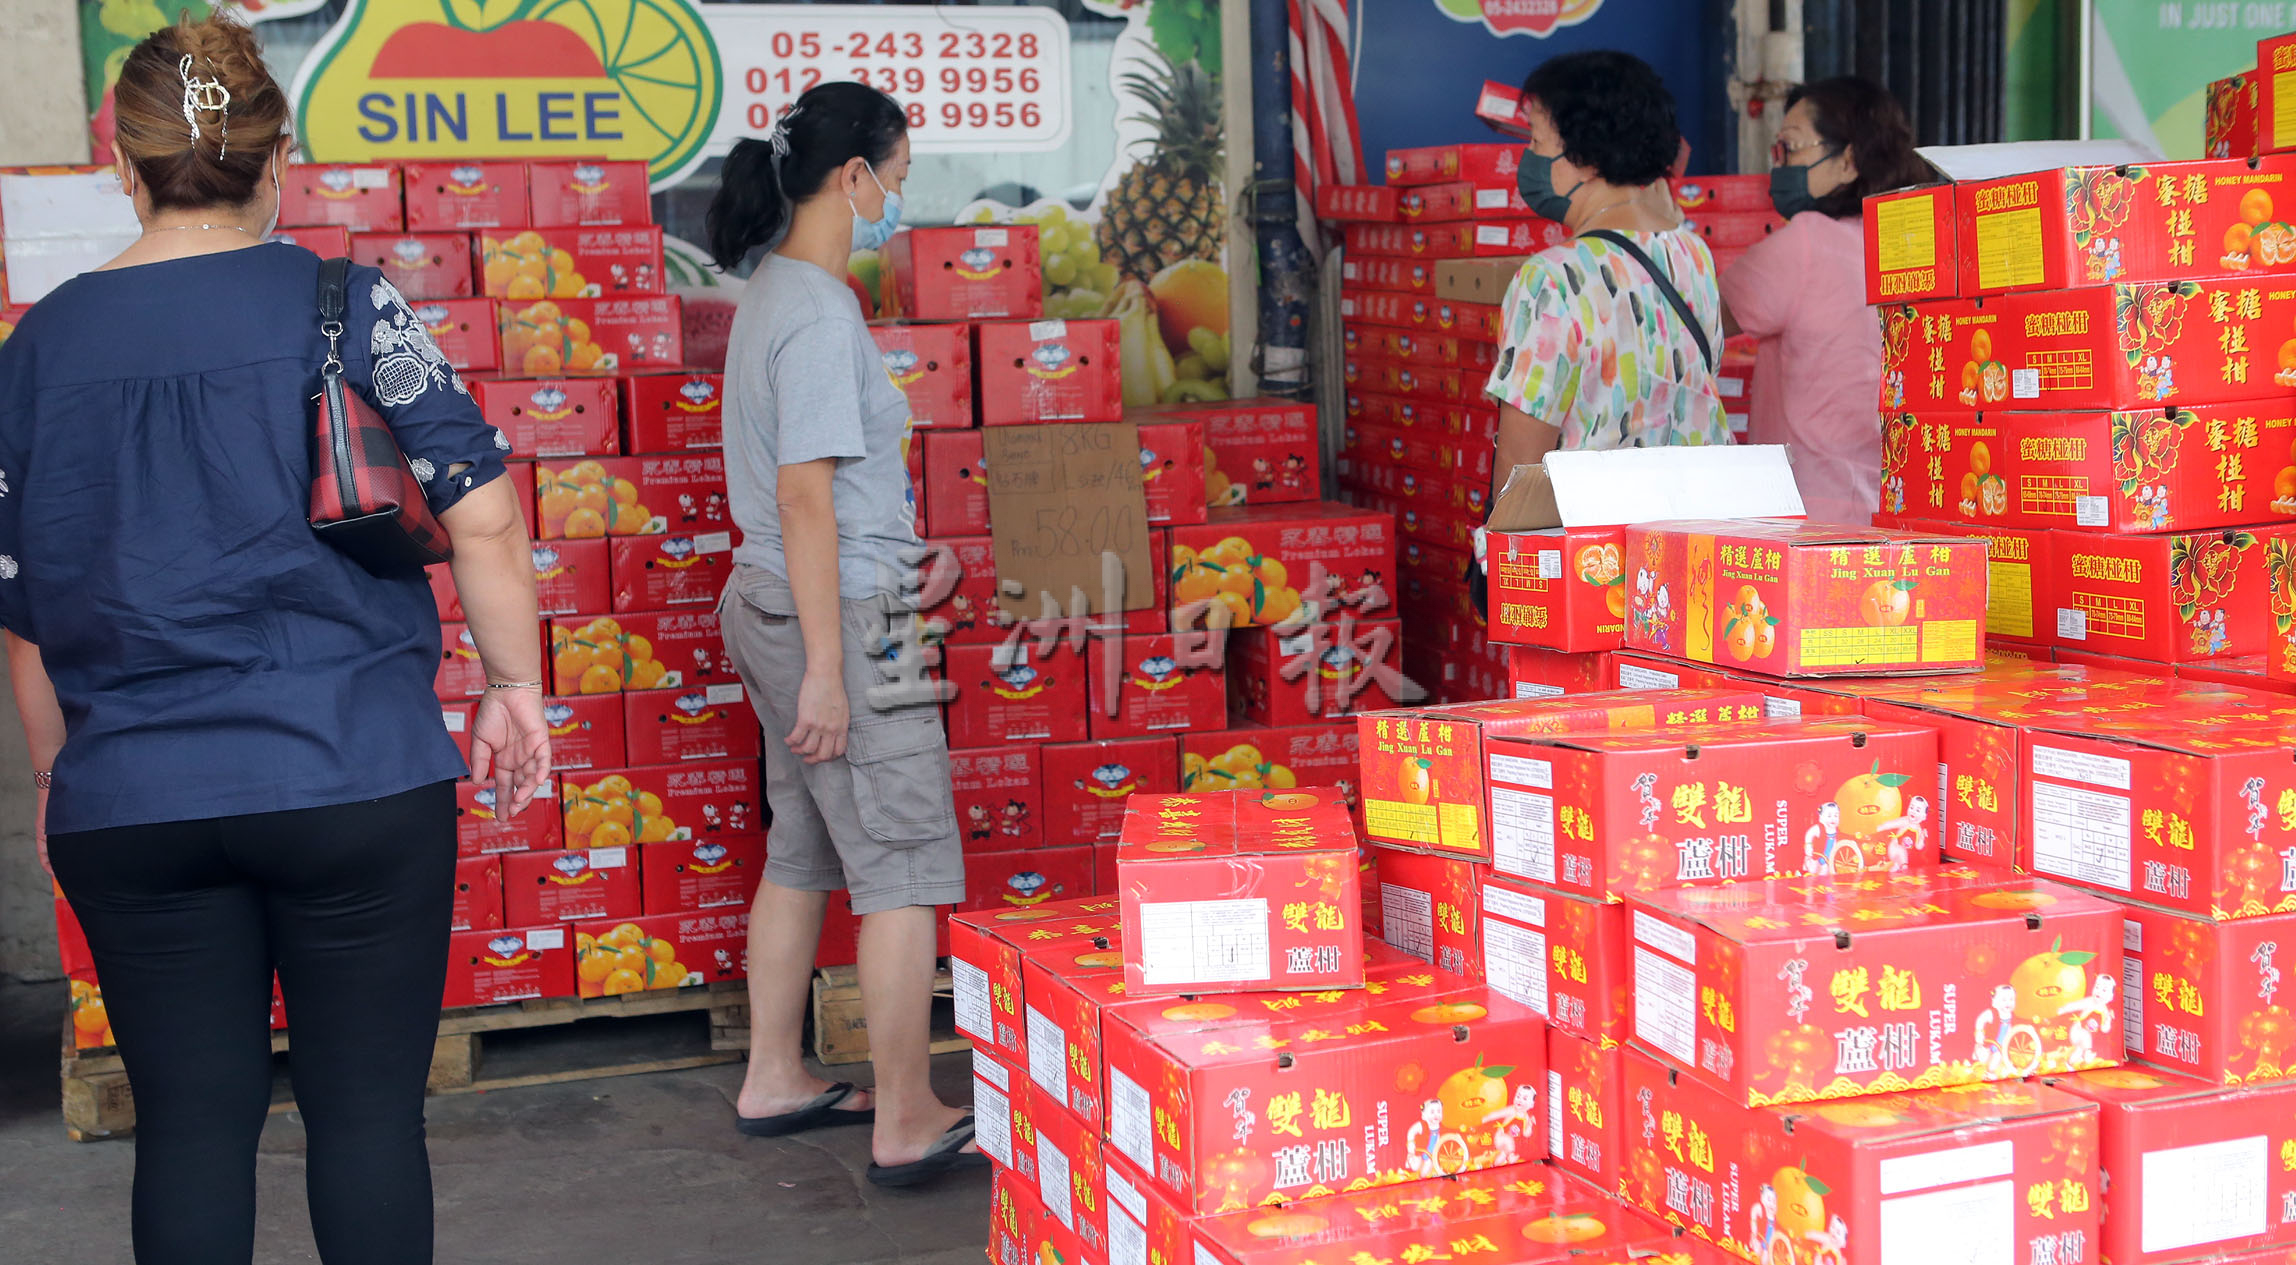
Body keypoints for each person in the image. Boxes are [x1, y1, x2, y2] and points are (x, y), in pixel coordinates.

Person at [0, 17, 551, 1265]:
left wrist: (55, 773)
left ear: (122, 168)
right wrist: (514, 687)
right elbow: (486, 514)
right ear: (279, 158)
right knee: (366, 1119)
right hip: (352, 770)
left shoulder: (35, 350)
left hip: (131, 794)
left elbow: (21, 609)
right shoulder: (346, 305)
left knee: (190, 1131)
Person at [704, 83, 981, 1188]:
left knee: (805, 846)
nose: (898, 199)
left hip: (778, 597)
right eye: (898, 177)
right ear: (851, 176)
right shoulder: (819, 312)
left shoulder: (774, 294)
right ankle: (906, 1110)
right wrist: (830, 666)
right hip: (845, 620)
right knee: (905, 861)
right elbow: (808, 493)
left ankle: (775, 1070)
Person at [1485, 48, 1730, 492]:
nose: (1529, 158)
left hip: (1591, 551)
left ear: (1588, 159)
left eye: (1537, 143)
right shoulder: (1693, 255)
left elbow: (1522, 469)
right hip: (1688, 540)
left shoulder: (1552, 279)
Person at [1721, 77, 1937, 525]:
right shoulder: (1917, 243)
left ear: (1849, 161)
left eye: (1790, 148)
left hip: (1805, 512)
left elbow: (1697, 318)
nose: (1779, 164)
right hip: (1898, 504)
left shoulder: (1805, 243)